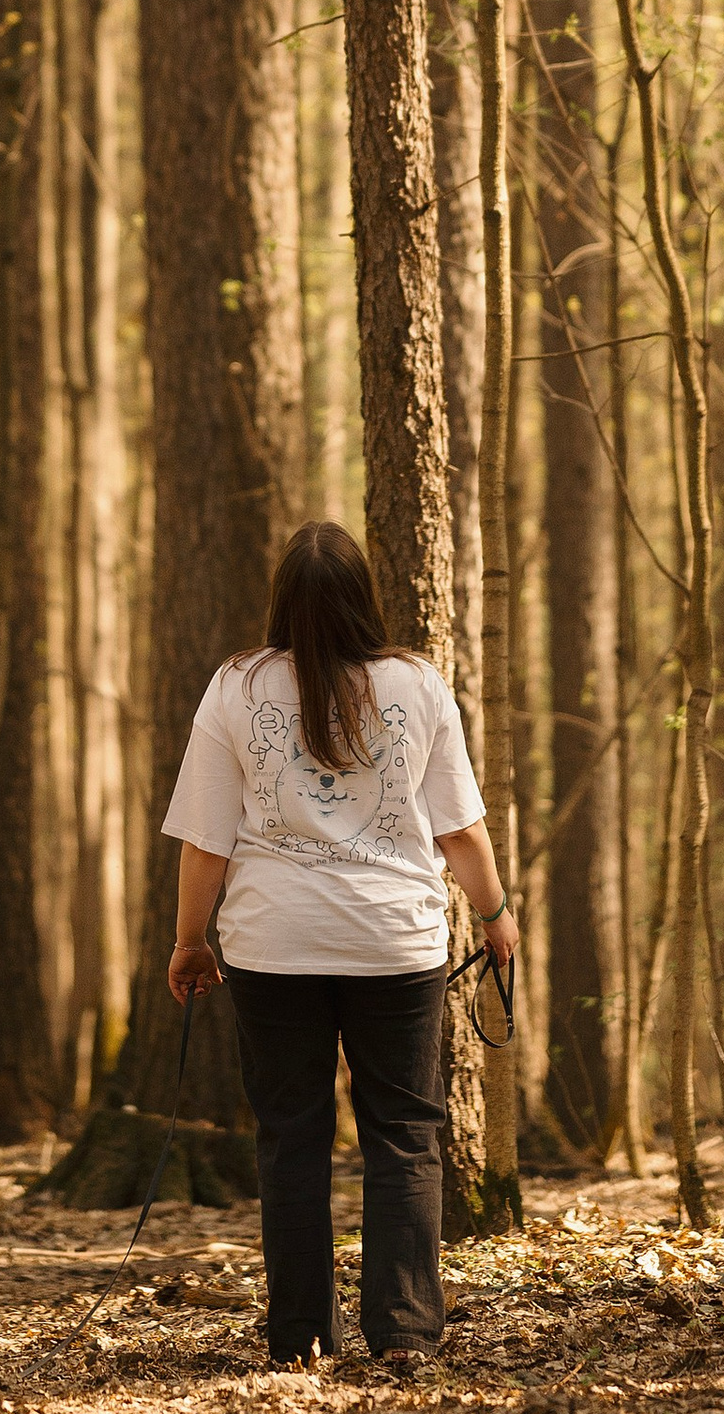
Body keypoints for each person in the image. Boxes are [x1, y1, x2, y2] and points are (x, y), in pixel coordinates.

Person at [161, 517, 518, 1368]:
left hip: (271, 943)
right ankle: (404, 1330)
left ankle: (300, 1338)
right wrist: (496, 913)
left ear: (281, 600)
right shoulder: (417, 684)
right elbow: (461, 830)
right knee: (404, 1133)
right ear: (364, 597)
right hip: (395, 942)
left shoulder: (237, 686)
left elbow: (207, 840)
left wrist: (189, 941)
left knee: (292, 1137)